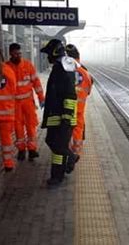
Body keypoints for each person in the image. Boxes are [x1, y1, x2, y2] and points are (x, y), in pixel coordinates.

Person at [40, 39, 79, 186]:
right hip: (55, 115)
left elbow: (70, 94)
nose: (47, 57)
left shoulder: (64, 66)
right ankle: (63, 167)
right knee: (52, 142)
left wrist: (67, 117)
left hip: (63, 117)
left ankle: (59, 173)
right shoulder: (59, 66)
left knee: (59, 146)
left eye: (49, 53)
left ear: (55, 52)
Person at [6, 43, 45, 161]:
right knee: (17, 127)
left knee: (31, 125)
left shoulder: (28, 65)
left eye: (20, 53)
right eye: (16, 53)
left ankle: (32, 149)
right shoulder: (6, 67)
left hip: (28, 102)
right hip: (14, 103)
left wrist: (41, 98)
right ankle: (21, 150)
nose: (18, 55)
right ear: (10, 53)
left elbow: (36, 83)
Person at [65, 44, 93, 158]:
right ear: (78, 56)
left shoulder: (64, 70)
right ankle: (76, 152)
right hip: (79, 108)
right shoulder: (86, 73)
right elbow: (89, 91)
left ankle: (67, 153)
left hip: (66, 107)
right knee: (78, 129)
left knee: (65, 130)